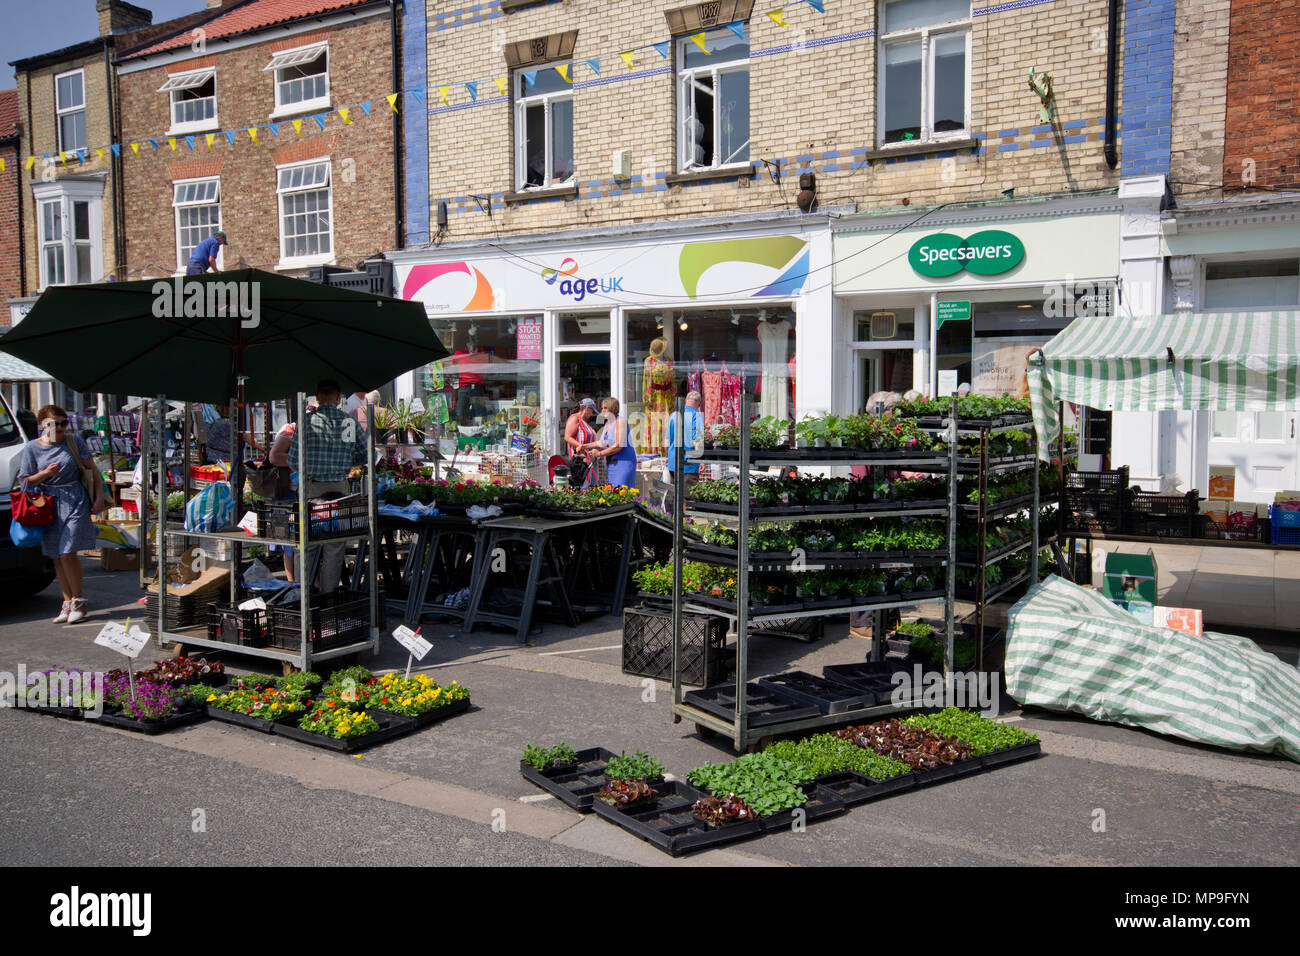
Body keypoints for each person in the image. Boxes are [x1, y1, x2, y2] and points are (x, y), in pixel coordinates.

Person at [269, 380, 368, 593]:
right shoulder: (348, 423)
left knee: (307, 544)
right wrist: (346, 460)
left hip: (311, 488)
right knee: (335, 545)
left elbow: (294, 459)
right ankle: (329, 596)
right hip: (341, 490)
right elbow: (364, 454)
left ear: (317, 396)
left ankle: (304, 596)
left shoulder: (305, 423)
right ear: (337, 397)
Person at [16, 404, 108, 623]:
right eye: (53, 423)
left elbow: (92, 470)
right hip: (48, 503)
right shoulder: (32, 448)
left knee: (68, 552)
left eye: (63, 423)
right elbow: (25, 480)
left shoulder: (73, 441)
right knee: (57, 556)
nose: (58, 428)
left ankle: (79, 602)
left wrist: (98, 498)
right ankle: (67, 603)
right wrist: (45, 473)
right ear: (42, 425)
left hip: (75, 499)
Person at [664, 391, 703, 505]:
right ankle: (687, 522)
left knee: (674, 499)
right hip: (688, 464)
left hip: (673, 462)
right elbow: (697, 441)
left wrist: (668, 456)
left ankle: (673, 521)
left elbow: (667, 440)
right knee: (687, 500)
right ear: (699, 403)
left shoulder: (673, 415)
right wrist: (701, 460)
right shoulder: (696, 416)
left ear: (686, 401)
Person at [591, 397, 638, 489]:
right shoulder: (608, 423)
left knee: (622, 491)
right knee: (614, 492)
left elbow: (618, 446)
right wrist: (583, 446)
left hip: (624, 462)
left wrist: (599, 453)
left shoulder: (620, 421)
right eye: (602, 408)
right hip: (612, 463)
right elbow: (601, 443)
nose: (602, 410)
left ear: (612, 408)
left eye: (605, 408)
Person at [563, 397, 599, 489]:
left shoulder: (584, 421)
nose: (592, 414)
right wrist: (581, 446)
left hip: (590, 460)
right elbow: (567, 437)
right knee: (583, 486)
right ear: (587, 408)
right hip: (581, 462)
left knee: (591, 487)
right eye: (592, 411)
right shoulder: (575, 418)